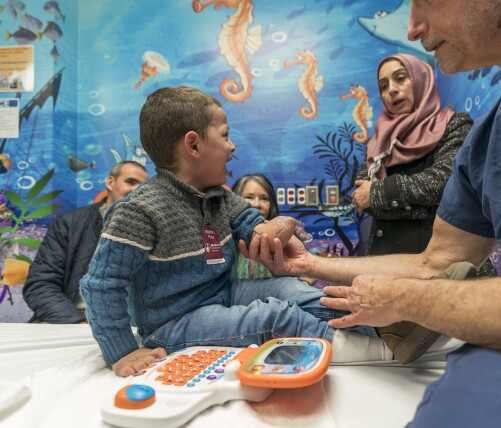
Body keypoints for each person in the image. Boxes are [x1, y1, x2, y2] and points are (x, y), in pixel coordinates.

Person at [243, 1, 501, 425]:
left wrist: (410, 299)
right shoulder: (491, 138)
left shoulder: (456, 130)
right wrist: (309, 263)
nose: (412, 28)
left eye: (425, 1)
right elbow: (437, 262)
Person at [80, 86, 393, 377]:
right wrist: (121, 352)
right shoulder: (139, 210)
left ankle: (382, 327)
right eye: (225, 136)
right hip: (172, 323)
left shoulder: (220, 196)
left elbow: (259, 226)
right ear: (193, 145)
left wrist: (276, 227)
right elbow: (101, 284)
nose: (232, 147)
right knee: (274, 317)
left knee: (292, 290)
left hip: (223, 294)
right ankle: (383, 351)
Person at [352, 53, 495, 362]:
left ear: (421, 80)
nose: (392, 89)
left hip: (450, 277)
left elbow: (445, 183)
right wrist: (411, 199)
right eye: (384, 84)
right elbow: (360, 194)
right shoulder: (377, 143)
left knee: (466, 367)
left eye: (401, 78)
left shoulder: (454, 126)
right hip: (392, 277)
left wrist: (379, 195)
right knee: (395, 379)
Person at [23, 161, 148, 324]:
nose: (137, 190)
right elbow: (40, 285)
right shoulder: (69, 223)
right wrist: (76, 323)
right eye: (130, 182)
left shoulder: (151, 229)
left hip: (127, 324)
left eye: (143, 186)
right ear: (110, 182)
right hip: (69, 319)